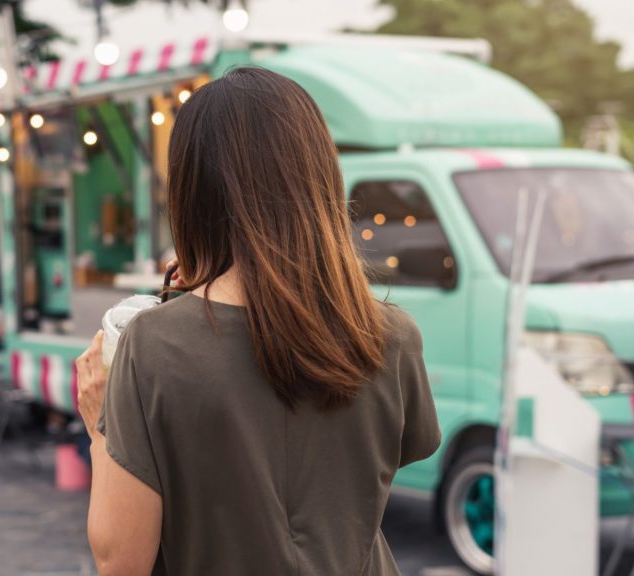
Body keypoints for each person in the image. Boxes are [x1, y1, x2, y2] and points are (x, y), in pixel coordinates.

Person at [76, 67, 441, 575]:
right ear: (320, 178)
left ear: (192, 191)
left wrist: (100, 424)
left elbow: (122, 561)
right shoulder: (391, 335)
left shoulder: (154, 345)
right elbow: (374, 463)